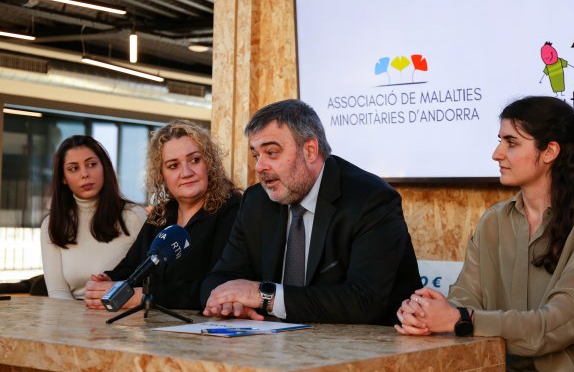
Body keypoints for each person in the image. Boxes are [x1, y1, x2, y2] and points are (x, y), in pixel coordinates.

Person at [396, 96, 574, 371]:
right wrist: (425, 315)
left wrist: (461, 319)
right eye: (500, 141)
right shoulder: (494, 220)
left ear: (550, 151)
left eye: (511, 143)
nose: (497, 153)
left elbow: (557, 324)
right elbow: (464, 300)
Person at [201, 99, 421, 325]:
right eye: (256, 155)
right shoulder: (256, 201)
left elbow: (364, 301)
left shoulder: (370, 199)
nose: (259, 167)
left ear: (310, 150)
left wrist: (265, 296)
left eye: (272, 152)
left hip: (367, 343)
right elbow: (219, 279)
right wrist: (229, 303)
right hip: (272, 342)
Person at [84, 120, 241, 310]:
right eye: (173, 166)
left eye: (195, 160)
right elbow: (132, 267)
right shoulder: (161, 214)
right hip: (152, 325)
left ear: (209, 163)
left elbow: (216, 287)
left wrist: (144, 297)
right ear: (161, 176)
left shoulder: (234, 211)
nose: (186, 172)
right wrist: (107, 281)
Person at [41, 135, 147, 300]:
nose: (85, 174)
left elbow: (150, 281)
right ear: (63, 178)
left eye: (91, 164)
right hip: (69, 313)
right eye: (73, 168)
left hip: (124, 312)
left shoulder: (135, 216)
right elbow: (57, 292)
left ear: (104, 167)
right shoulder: (52, 225)